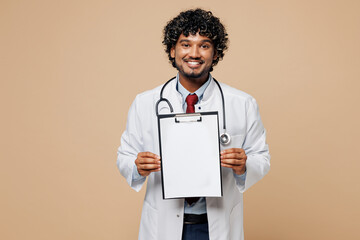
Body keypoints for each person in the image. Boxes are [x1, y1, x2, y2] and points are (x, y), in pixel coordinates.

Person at [117, 8, 270, 240]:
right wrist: (137, 166)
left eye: (204, 45)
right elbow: (124, 157)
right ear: (172, 50)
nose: (194, 53)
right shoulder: (145, 102)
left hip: (216, 225)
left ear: (215, 53)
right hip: (163, 225)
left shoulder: (242, 103)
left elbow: (262, 157)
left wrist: (244, 166)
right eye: (186, 44)